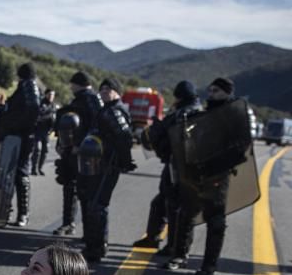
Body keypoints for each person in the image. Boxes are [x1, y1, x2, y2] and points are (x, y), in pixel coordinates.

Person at [165, 77, 246, 275]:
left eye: (216, 90)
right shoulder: (204, 114)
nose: (211, 94)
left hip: (218, 175)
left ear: (227, 92)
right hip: (196, 172)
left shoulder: (235, 115)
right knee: (186, 214)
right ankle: (179, 256)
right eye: (209, 90)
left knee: (215, 220)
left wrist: (217, 164)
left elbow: (240, 149)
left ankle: (209, 265)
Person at [133, 80, 203, 252]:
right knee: (162, 202)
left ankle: (173, 245)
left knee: (175, 206)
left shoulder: (183, 113)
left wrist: (154, 127)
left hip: (178, 167)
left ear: (180, 96)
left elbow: (161, 133)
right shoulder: (198, 111)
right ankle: (154, 238)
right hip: (183, 166)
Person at [76, 77, 134, 262]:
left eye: (109, 89)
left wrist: (124, 161)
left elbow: (125, 137)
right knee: (93, 202)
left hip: (108, 164)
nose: (104, 92)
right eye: (102, 89)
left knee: (98, 205)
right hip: (99, 163)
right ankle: (93, 245)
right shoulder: (108, 109)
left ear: (117, 91)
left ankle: (97, 248)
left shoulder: (114, 111)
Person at [52, 71, 104, 237]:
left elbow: (93, 126)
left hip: (83, 153)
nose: (70, 87)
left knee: (81, 190)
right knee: (71, 187)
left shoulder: (89, 100)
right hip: (75, 150)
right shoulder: (84, 99)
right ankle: (70, 224)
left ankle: (81, 229)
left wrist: (80, 145)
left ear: (78, 84)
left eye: (72, 84)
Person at [0, 62, 41, 227]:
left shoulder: (28, 87)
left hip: (20, 136)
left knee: (19, 174)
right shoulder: (26, 88)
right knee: (11, 174)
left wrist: (19, 126)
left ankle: (20, 213)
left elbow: (33, 109)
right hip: (17, 135)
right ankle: (8, 211)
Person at [32, 89, 57, 176]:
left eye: (53, 95)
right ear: (46, 94)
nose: (51, 96)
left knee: (45, 150)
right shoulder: (41, 103)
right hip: (38, 130)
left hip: (46, 132)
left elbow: (54, 118)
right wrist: (48, 117)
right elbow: (38, 116)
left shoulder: (53, 106)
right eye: (49, 94)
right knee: (37, 149)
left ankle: (40, 168)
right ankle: (33, 168)